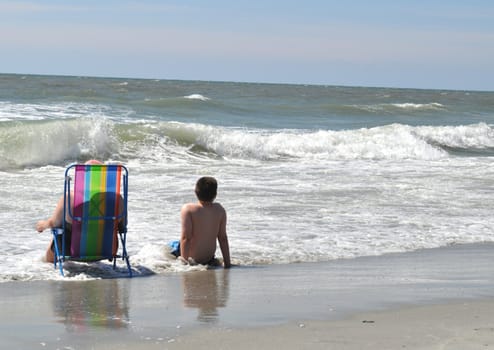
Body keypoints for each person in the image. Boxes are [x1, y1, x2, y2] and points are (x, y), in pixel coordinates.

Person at [36, 160, 123, 262]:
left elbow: (52, 223)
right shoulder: (117, 199)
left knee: (57, 229)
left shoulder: (70, 197)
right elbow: (122, 226)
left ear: (83, 177)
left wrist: (41, 225)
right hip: (107, 250)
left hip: (73, 251)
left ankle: (48, 267)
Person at [174, 176, 231, 268]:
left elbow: (186, 238)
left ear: (196, 192)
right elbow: (223, 238)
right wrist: (227, 264)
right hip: (209, 259)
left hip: (192, 259)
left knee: (170, 247)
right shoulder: (220, 210)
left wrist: (184, 265)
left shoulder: (188, 209)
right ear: (215, 194)